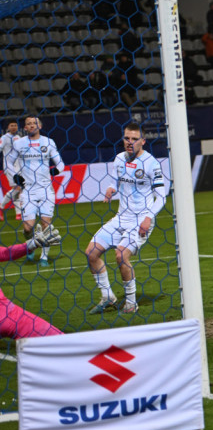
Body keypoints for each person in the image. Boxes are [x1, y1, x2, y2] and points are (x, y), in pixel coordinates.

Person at [86, 123, 166, 315]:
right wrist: (111, 188)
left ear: (143, 141)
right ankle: (108, 298)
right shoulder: (119, 158)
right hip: (121, 217)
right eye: (126, 138)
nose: (129, 142)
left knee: (121, 255)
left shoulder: (151, 163)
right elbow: (115, 179)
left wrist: (148, 218)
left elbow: (162, 195)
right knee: (91, 253)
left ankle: (130, 303)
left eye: (134, 139)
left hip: (141, 220)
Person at [6, 116, 64, 267]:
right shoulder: (19, 143)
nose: (32, 126)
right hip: (28, 190)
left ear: (40, 125)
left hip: (45, 189)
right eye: (29, 124)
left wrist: (55, 171)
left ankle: (44, 258)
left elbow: (61, 163)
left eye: (34, 123)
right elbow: (8, 162)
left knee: (46, 225)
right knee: (28, 227)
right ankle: (30, 247)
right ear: (25, 128)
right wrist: (15, 176)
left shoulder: (48, 142)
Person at [0, 226, 64, 338]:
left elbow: (4, 253)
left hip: (7, 314)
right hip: (7, 315)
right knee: (59, 341)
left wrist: (32, 244)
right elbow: (4, 253)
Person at [0, 119, 23, 221]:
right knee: (18, 187)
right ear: (8, 128)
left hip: (19, 166)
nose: (14, 127)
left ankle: (18, 213)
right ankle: (1, 206)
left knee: (18, 190)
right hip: (9, 166)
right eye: (11, 125)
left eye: (15, 125)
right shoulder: (4, 138)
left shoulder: (18, 138)